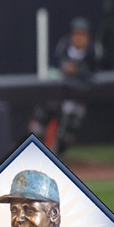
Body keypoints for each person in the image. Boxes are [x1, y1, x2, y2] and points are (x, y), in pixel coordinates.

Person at [30, 17, 102, 154]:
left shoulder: (94, 50)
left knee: (67, 132)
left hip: (78, 95)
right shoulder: (63, 46)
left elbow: (97, 72)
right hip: (60, 93)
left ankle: (58, 157)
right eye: (76, 34)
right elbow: (52, 69)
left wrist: (79, 71)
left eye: (83, 35)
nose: (79, 38)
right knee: (38, 124)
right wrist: (64, 69)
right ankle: (36, 153)